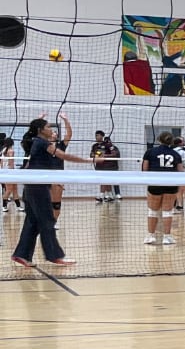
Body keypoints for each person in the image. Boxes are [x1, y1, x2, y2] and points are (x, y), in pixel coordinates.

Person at [9, 115, 93, 269]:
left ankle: (21, 254)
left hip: (33, 185)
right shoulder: (42, 142)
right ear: (41, 130)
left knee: (33, 221)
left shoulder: (35, 141)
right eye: (48, 127)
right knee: (47, 220)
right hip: (37, 185)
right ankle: (55, 256)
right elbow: (63, 155)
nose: (51, 129)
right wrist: (88, 161)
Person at [141, 130, 184, 247]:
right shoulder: (176, 154)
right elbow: (181, 172)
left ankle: (150, 236)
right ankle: (167, 237)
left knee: (152, 211)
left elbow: (144, 170)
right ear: (171, 141)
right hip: (171, 184)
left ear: (159, 140)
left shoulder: (150, 152)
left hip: (155, 183)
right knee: (167, 211)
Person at [90, 130, 121, 202]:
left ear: (102, 136)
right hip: (99, 166)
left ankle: (101, 196)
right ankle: (110, 195)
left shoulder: (108, 145)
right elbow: (91, 155)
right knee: (105, 181)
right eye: (95, 135)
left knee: (105, 180)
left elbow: (114, 154)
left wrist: (105, 155)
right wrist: (97, 155)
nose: (96, 137)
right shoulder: (94, 146)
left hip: (108, 166)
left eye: (98, 135)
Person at [0, 133, 19, 214]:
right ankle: (4, 206)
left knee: (15, 189)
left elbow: (1, 162)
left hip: (5, 171)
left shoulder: (3, 150)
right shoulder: (11, 151)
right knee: (9, 190)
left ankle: (18, 206)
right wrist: (12, 172)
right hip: (10, 172)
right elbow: (11, 163)